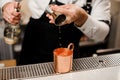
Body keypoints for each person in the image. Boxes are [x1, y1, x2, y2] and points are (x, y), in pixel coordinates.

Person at [0, 0, 111, 65]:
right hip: (33, 53)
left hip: (70, 57)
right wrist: (6, 4)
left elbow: (102, 34)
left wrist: (82, 18)